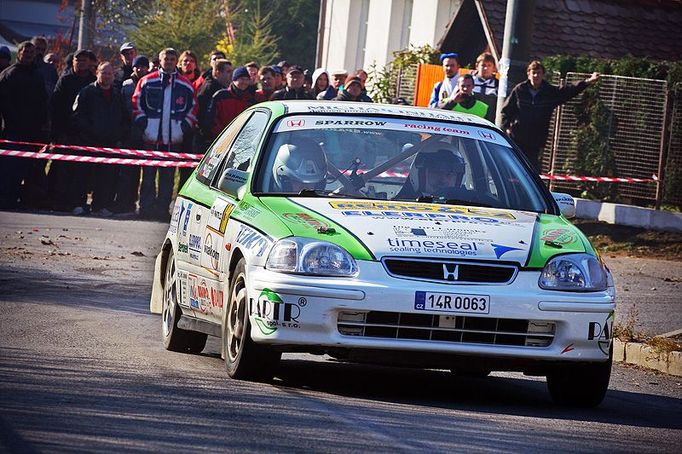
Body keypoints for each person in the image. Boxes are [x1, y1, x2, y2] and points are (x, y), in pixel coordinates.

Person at [132, 48, 197, 221]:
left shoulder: (185, 85)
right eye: (165, 58)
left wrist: (182, 128)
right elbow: (136, 104)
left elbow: (192, 109)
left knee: (168, 178)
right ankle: (145, 209)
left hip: (173, 140)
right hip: (151, 138)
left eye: (172, 58)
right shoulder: (146, 81)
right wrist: (145, 125)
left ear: (176, 61)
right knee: (148, 176)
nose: (168, 61)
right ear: (160, 60)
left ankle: (162, 210)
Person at [501, 60, 600, 170]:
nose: (536, 76)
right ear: (528, 74)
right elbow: (506, 110)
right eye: (533, 72)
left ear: (543, 75)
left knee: (532, 170)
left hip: (536, 140)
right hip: (517, 137)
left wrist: (587, 82)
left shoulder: (549, 92)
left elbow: (569, 91)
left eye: (539, 73)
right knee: (512, 167)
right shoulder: (520, 90)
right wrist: (507, 128)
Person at [71, 62, 130, 216]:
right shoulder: (86, 92)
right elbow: (77, 116)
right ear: (97, 73)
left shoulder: (118, 94)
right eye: (104, 73)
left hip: (109, 144)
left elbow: (125, 119)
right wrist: (89, 132)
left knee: (106, 178)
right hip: (88, 142)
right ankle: (79, 204)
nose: (107, 76)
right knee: (82, 176)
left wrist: (118, 135)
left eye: (110, 73)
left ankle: (100, 206)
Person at [0, 41, 48, 209]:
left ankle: (18, 200)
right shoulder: (9, 74)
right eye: (25, 52)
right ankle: (5, 199)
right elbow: (4, 102)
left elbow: (43, 101)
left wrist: (42, 123)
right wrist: (14, 121)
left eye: (31, 52)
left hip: (32, 132)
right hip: (12, 130)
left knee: (24, 168)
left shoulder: (38, 75)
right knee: (8, 168)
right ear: (19, 53)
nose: (28, 54)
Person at [47, 49, 97, 212]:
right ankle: (57, 201)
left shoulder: (93, 81)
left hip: (84, 134)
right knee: (61, 169)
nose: (81, 63)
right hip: (65, 133)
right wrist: (56, 133)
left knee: (82, 171)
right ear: (73, 61)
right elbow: (55, 107)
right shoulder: (65, 80)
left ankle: (78, 202)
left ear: (89, 63)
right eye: (78, 60)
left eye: (84, 60)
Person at [114, 55, 149, 216]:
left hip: (145, 134)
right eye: (137, 66)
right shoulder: (127, 85)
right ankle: (123, 204)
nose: (140, 69)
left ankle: (136, 204)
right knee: (126, 173)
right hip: (129, 134)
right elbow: (125, 109)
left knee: (140, 175)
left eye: (143, 66)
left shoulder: (149, 84)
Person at [395, 145, 466, 201]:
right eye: (437, 172)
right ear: (418, 174)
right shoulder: (398, 203)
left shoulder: (471, 201)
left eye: (450, 174)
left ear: (459, 178)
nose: (443, 180)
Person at [206, 66, 255, 141]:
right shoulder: (221, 96)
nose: (244, 82)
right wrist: (222, 135)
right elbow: (211, 119)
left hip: (242, 139)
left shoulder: (250, 99)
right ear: (234, 80)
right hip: (221, 138)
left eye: (247, 79)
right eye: (241, 79)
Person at [195, 59, 233, 154]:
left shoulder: (222, 87)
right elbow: (202, 114)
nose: (231, 75)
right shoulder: (209, 89)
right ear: (217, 72)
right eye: (228, 72)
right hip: (207, 139)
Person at [471, 52, 499, 122]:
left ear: (494, 68)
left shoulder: (497, 85)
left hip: (489, 123)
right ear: (477, 66)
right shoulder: (468, 81)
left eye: (489, 65)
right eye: (483, 65)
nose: (486, 68)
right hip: (470, 120)